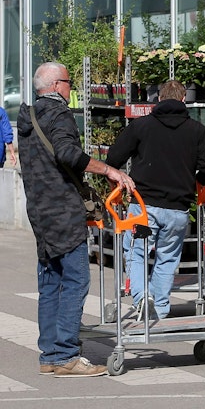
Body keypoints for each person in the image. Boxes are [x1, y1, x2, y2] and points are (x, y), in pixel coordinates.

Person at [17, 62, 134, 377]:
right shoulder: (59, 115)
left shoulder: (28, 118)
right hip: (63, 210)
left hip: (39, 211)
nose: (72, 89)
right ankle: (66, 355)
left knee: (51, 282)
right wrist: (109, 169)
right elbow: (68, 154)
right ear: (57, 86)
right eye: (69, 82)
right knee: (76, 280)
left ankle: (50, 355)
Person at [106, 79, 205, 320]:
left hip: (143, 208)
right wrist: (196, 180)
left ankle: (141, 299)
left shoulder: (141, 126)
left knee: (137, 254)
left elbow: (114, 157)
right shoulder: (196, 130)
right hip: (177, 209)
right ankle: (161, 310)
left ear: (157, 99)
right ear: (184, 99)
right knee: (167, 259)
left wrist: (118, 177)